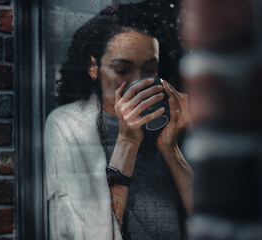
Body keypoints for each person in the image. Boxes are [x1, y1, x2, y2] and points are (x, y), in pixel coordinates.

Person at [44, 3, 193, 239]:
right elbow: (93, 232)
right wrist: (127, 142)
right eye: (122, 70)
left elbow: (209, 218)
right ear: (94, 67)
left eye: (149, 69)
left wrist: (171, 148)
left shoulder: (168, 122)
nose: (139, 82)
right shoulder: (67, 127)